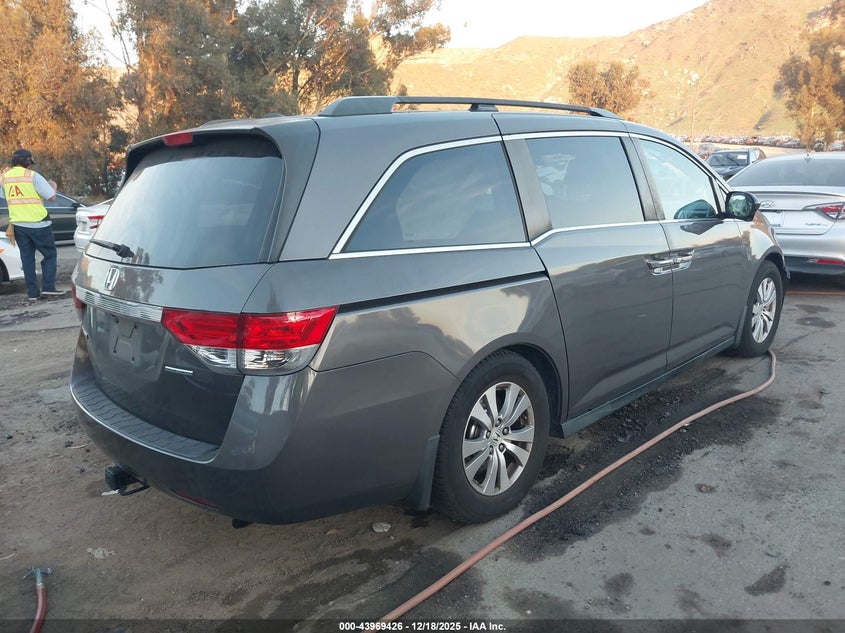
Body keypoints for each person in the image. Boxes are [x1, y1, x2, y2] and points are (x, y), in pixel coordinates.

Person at [1, 149, 64, 300]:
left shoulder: (4, 178)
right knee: (50, 254)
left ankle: (32, 293)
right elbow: (52, 197)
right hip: (38, 223)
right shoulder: (33, 176)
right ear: (28, 161)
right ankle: (48, 287)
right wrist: (53, 186)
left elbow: (4, 196)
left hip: (18, 225)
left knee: (27, 258)